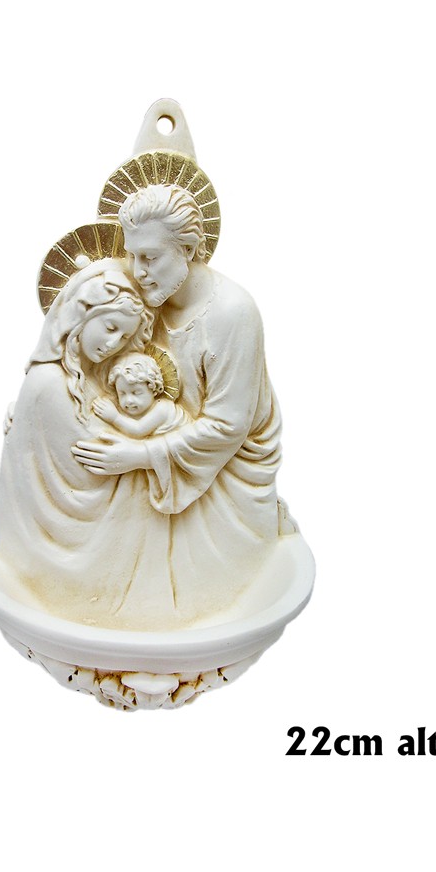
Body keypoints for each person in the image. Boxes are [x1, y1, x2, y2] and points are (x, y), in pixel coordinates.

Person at [72, 183, 286, 615]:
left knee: (159, 581)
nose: (138, 270)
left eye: (150, 257)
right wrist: (45, 404)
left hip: (220, 475)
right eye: (132, 256)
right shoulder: (148, 300)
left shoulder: (231, 313)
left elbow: (228, 427)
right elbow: (100, 367)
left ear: (188, 249)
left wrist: (138, 456)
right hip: (155, 450)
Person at [0, 260, 177, 626]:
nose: (112, 345)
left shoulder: (89, 377)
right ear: (81, 313)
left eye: (123, 338)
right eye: (110, 328)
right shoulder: (49, 381)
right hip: (68, 532)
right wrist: (155, 444)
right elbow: (90, 457)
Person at [92, 351, 189, 438]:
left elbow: (138, 430)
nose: (129, 400)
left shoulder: (163, 408)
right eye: (122, 394)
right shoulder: (139, 410)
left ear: (153, 389)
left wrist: (115, 417)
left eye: (136, 393)